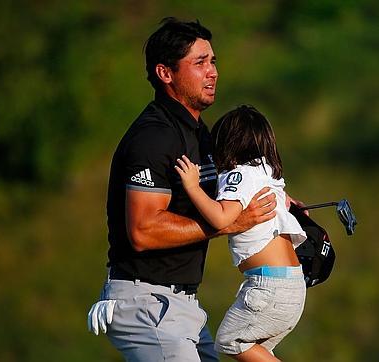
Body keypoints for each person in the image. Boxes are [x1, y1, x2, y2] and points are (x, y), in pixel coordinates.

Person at [86, 18, 279, 362]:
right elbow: (143, 231)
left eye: (213, 61)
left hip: (182, 306)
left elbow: (236, 184)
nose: (213, 72)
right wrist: (226, 225)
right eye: (200, 62)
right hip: (146, 304)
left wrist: (284, 202)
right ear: (165, 73)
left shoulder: (198, 132)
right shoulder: (154, 136)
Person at [175, 105, 307, 362]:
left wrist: (192, 187)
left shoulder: (238, 174)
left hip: (268, 287)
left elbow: (221, 217)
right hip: (293, 285)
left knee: (230, 340)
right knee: (258, 352)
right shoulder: (267, 172)